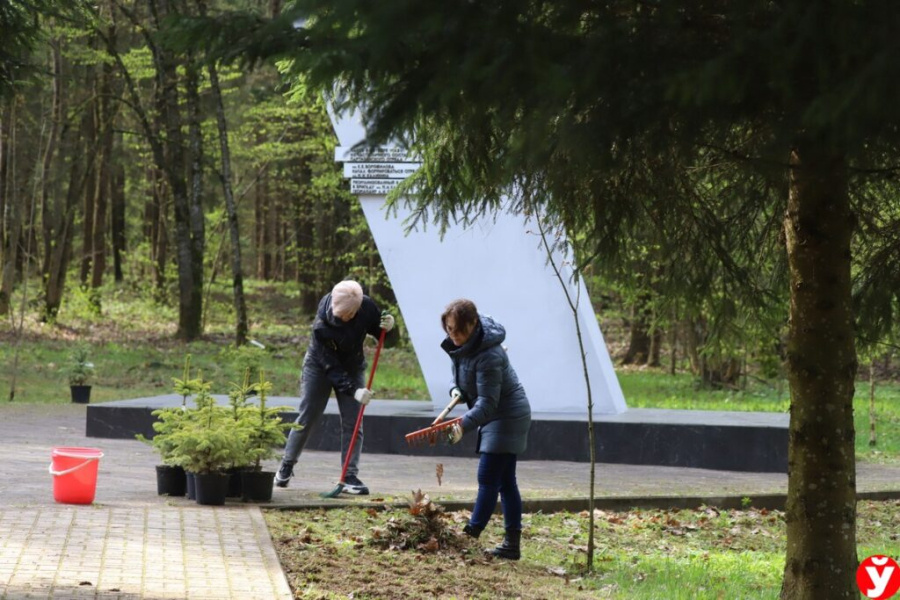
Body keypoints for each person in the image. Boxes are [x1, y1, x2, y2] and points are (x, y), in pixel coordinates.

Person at [275, 280, 398, 495]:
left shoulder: (367, 307)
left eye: (348, 316)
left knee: (354, 421)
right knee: (308, 415)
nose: (343, 318)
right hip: (320, 366)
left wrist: (390, 329)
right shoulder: (321, 325)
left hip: (352, 364)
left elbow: (384, 339)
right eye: (340, 315)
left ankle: (349, 475)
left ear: (357, 309)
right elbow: (331, 368)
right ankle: (287, 463)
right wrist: (354, 390)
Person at [440, 298, 532, 560]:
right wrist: (455, 389)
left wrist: (461, 426)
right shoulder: (462, 345)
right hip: (495, 414)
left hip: (507, 416)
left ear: (473, 323)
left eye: (459, 330)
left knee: (488, 479)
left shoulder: (489, 354)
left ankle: (470, 536)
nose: (454, 336)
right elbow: (459, 372)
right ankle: (512, 545)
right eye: (449, 329)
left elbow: (488, 404)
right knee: (506, 483)